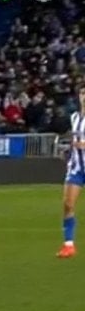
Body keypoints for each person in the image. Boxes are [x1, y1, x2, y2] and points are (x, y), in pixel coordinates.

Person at [57, 85, 85, 258]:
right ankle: (69, 245)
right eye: (82, 93)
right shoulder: (74, 117)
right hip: (77, 168)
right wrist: (67, 150)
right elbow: (73, 140)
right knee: (68, 205)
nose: (84, 96)